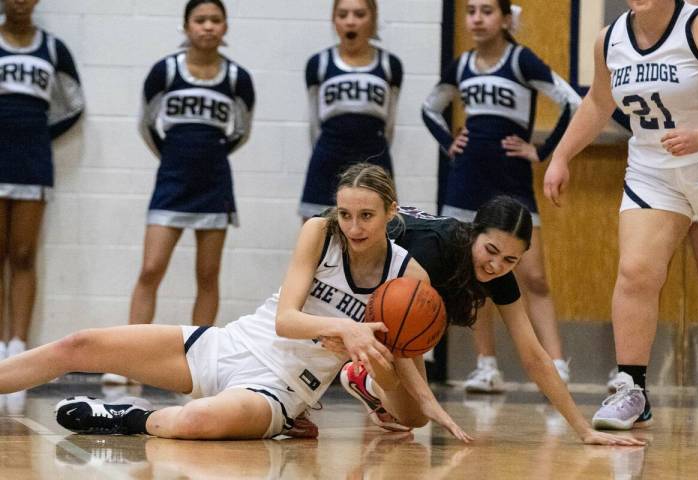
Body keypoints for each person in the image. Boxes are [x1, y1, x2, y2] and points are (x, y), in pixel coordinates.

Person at [0, 163, 464, 442]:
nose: (354, 226)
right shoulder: (321, 234)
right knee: (80, 344)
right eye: (346, 214)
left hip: (283, 387)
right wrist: (344, 328)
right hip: (234, 343)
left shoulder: (408, 278)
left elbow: (400, 382)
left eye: (366, 216)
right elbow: (285, 320)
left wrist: (375, 360)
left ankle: (128, 417)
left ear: (391, 212)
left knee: (195, 422)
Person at [322, 197, 644, 446]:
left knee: (414, 418)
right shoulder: (435, 248)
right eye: (490, 250)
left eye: (510, 260)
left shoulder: (500, 276)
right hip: (344, 267)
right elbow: (398, 330)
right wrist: (431, 401)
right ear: (473, 233)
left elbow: (534, 356)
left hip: (385, 311)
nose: (495, 265)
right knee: (419, 401)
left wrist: (584, 429)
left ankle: (366, 382)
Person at [544, 0, 698, 429]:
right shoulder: (610, 39)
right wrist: (561, 155)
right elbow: (598, 103)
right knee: (636, 271)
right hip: (653, 170)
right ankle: (632, 389)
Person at [421, 0, 580, 392]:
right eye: (471, 10)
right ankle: (486, 365)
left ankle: (556, 364)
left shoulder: (522, 60)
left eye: (487, 10)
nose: (477, 18)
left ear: (506, 19)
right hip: (466, 181)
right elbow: (430, 108)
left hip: (512, 183)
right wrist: (449, 142)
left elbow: (573, 102)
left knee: (534, 276)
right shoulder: (460, 66)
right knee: (474, 274)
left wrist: (541, 151)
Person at [102, 0, 255, 385]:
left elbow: (240, 131)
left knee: (207, 273)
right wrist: (175, 155)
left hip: (215, 183)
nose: (208, 27)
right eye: (200, 20)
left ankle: (199, 363)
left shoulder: (238, 78)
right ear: (186, 26)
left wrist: (206, 155)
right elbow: (147, 125)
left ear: (225, 27)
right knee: (151, 268)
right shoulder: (165, 72)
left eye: (215, 20)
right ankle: (128, 360)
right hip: (171, 182)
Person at [0, 0, 83, 369]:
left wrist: (36, 133)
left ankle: (18, 344)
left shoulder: (53, 48)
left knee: (23, 254)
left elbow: (73, 104)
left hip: (33, 162)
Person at [298, 0, 402, 219]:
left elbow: (390, 124)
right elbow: (314, 123)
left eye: (359, 14)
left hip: (374, 156)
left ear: (372, 19)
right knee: (316, 238)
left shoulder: (390, 65)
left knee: (379, 234)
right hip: (327, 157)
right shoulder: (319, 64)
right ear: (334, 20)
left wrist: (379, 150)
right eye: (343, 15)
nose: (350, 22)